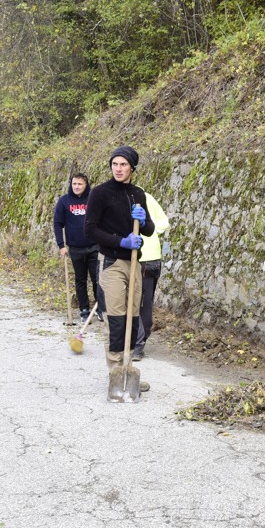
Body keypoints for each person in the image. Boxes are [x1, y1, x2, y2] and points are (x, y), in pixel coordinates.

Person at [85, 146, 154, 368]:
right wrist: (120, 241)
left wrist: (143, 222)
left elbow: (150, 230)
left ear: (132, 167)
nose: (118, 168)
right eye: (115, 164)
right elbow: (90, 230)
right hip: (111, 262)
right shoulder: (100, 193)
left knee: (133, 318)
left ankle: (128, 368)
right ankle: (116, 371)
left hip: (134, 263)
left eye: (123, 164)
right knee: (116, 318)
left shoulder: (138, 194)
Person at [53, 173, 104, 322]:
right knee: (80, 280)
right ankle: (84, 310)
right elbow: (57, 224)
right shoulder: (64, 201)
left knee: (97, 279)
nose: (76, 187)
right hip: (75, 248)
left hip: (94, 246)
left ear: (86, 185)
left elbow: (102, 219)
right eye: (74, 184)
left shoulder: (93, 199)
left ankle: (100, 308)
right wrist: (61, 245)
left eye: (80, 184)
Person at [132, 193, 169, 362]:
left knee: (134, 302)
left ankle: (138, 344)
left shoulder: (125, 197)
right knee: (145, 303)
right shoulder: (147, 197)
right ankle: (141, 340)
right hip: (154, 259)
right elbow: (163, 223)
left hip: (140, 260)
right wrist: (153, 233)